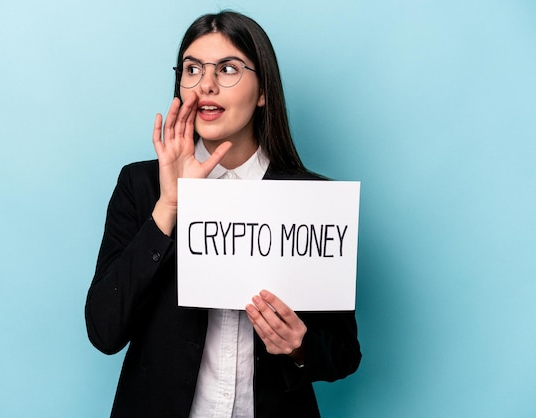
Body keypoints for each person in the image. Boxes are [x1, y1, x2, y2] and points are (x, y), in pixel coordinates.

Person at [85, 10, 361, 417]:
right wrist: (169, 207)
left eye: (228, 69)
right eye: (192, 69)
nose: (207, 85)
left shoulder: (313, 200)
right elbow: (104, 330)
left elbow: (344, 354)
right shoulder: (141, 187)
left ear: (263, 90)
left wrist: (299, 346)